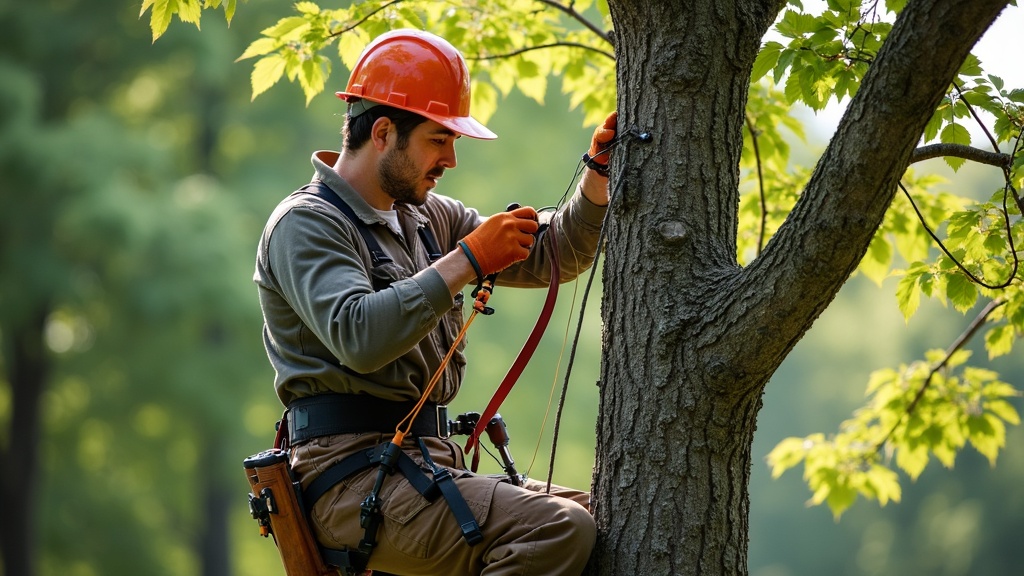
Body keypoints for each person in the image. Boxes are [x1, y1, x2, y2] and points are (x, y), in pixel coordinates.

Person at [254, 28, 616, 576]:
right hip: (349, 479)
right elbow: (359, 337)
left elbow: (551, 257)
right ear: (382, 132)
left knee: (609, 518)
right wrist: (467, 260)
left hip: (423, 465)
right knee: (558, 528)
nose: (450, 158)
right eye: (437, 139)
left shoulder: (430, 217)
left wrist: (595, 179)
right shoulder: (306, 223)